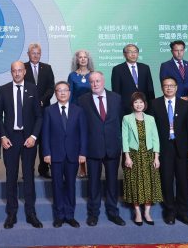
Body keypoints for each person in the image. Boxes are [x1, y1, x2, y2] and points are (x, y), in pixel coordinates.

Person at [0, 61, 43, 229]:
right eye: (14, 71)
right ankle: (12, 213)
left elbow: (39, 116)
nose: (17, 73)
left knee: (29, 175)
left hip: (28, 139)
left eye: (19, 70)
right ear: (11, 72)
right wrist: (2, 136)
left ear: (24, 72)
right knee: (11, 176)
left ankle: (31, 213)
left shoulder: (32, 89)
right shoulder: (3, 90)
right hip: (10, 139)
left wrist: (34, 136)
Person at [77, 71, 125, 226]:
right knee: (93, 184)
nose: (95, 84)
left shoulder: (116, 98)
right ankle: (93, 214)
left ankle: (113, 213)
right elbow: (81, 127)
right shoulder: (82, 100)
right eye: (92, 81)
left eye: (97, 81)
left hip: (112, 147)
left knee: (112, 183)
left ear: (103, 81)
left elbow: (121, 122)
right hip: (93, 148)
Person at [149, 77, 188, 225]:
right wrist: (154, 151)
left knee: (182, 181)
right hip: (164, 148)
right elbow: (151, 129)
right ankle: (170, 212)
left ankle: (183, 212)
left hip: (182, 148)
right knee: (166, 181)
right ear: (162, 88)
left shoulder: (185, 104)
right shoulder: (154, 104)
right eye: (166, 86)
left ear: (176, 88)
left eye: (171, 86)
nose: (169, 88)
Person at [42, 81, 87, 228]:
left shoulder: (78, 110)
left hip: (73, 155)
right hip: (55, 155)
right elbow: (45, 134)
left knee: (70, 186)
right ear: (55, 93)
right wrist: (46, 153)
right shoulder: (49, 111)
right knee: (57, 186)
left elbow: (83, 134)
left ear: (69, 93)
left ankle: (70, 215)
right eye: (59, 90)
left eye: (65, 90)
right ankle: (59, 216)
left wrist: (82, 153)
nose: (62, 93)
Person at [122, 92, 161, 226]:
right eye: (136, 102)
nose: (138, 105)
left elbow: (155, 138)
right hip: (134, 155)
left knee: (149, 183)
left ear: (145, 104)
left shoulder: (150, 119)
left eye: (141, 102)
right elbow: (125, 139)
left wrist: (156, 157)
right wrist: (127, 157)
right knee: (135, 184)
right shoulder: (127, 118)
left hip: (149, 155)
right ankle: (137, 212)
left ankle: (147, 212)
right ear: (132, 104)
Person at [23, 43, 55, 179]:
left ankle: (44, 168)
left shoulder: (47, 68)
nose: (35, 55)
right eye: (33, 53)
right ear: (28, 54)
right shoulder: (22, 67)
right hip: (28, 110)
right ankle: (28, 170)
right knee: (29, 140)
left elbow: (51, 87)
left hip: (44, 109)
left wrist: (42, 100)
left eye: (38, 53)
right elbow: (21, 86)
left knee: (44, 139)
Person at [111, 43, 155, 114]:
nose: (133, 54)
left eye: (135, 52)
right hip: (126, 109)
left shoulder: (145, 68)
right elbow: (116, 91)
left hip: (144, 108)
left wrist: (152, 107)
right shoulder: (117, 69)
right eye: (130, 52)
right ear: (124, 54)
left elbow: (150, 88)